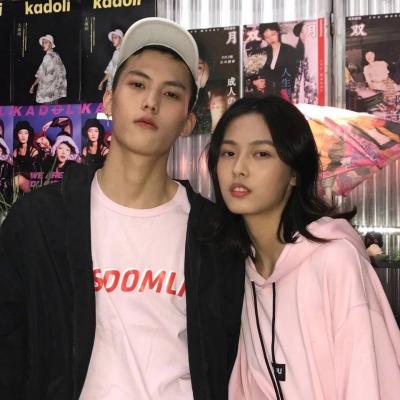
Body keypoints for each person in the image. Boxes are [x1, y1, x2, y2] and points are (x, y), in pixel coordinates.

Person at [0, 17, 244, 399]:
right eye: (138, 84)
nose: (151, 101)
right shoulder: (38, 223)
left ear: (187, 122)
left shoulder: (213, 235)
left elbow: (228, 358)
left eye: (170, 93)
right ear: (109, 100)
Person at [207, 95, 400, 399]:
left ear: (295, 173)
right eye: (228, 153)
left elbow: (366, 382)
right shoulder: (239, 270)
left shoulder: (334, 260)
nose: (238, 169)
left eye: (261, 154)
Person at [253, 23, 296, 99]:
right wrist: (255, 82)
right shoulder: (261, 53)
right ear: (263, 38)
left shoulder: (290, 51)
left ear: (278, 32)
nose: (271, 39)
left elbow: (295, 75)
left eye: (273, 34)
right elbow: (247, 75)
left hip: (285, 96)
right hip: (264, 97)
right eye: (267, 37)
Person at [29, 34, 67, 104]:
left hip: (47, 94)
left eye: (46, 42)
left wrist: (33, 85)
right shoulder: (56, 55)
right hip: (55, 93)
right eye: (43, 43)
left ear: (51, 44)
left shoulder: (47, 57)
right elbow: (63, 72)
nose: (43, 44)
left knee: (47, 110)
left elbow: (40, 73)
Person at [291, 21, 317, 104]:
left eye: (306, 31)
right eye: (301, 32)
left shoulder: (316, 49)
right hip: (300, 89)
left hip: (313, 89)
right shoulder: (296, 52)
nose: (304, 35)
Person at [12, 120, 38, 193]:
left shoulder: (33, 151)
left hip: (32, 183)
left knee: (17, 179)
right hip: (17, 181)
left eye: (26, 133)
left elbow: (36, 173)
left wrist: (20, 175)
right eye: (20, 133)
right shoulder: (15, 151)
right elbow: (13, 170)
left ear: (29, 135)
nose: (23, 136)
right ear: (17, 135)